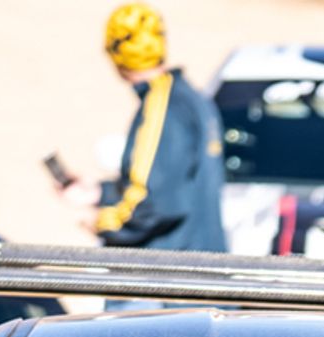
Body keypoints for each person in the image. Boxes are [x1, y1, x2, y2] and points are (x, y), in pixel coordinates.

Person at [64, 6, 228, 255]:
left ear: (116, 54)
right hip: (196, 266)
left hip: (163, 274)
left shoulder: (162, 106)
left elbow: (155, 203)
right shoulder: (194, 100)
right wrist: (100, 193)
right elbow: (174, 182)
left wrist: (105, 222)